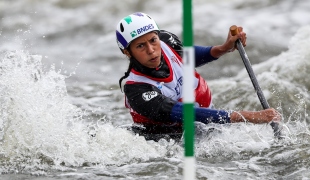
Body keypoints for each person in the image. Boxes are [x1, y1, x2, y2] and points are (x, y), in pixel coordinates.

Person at [115, 12, 281, 141]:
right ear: (127, 52)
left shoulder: (166, 41)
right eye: (140, 46)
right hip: (172, 141)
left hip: (207, 123)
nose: (151, 50)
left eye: (153, 40)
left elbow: (187, 55)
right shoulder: (136, 89)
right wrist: (245, 116)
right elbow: (183, 112)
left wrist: (224, 48)